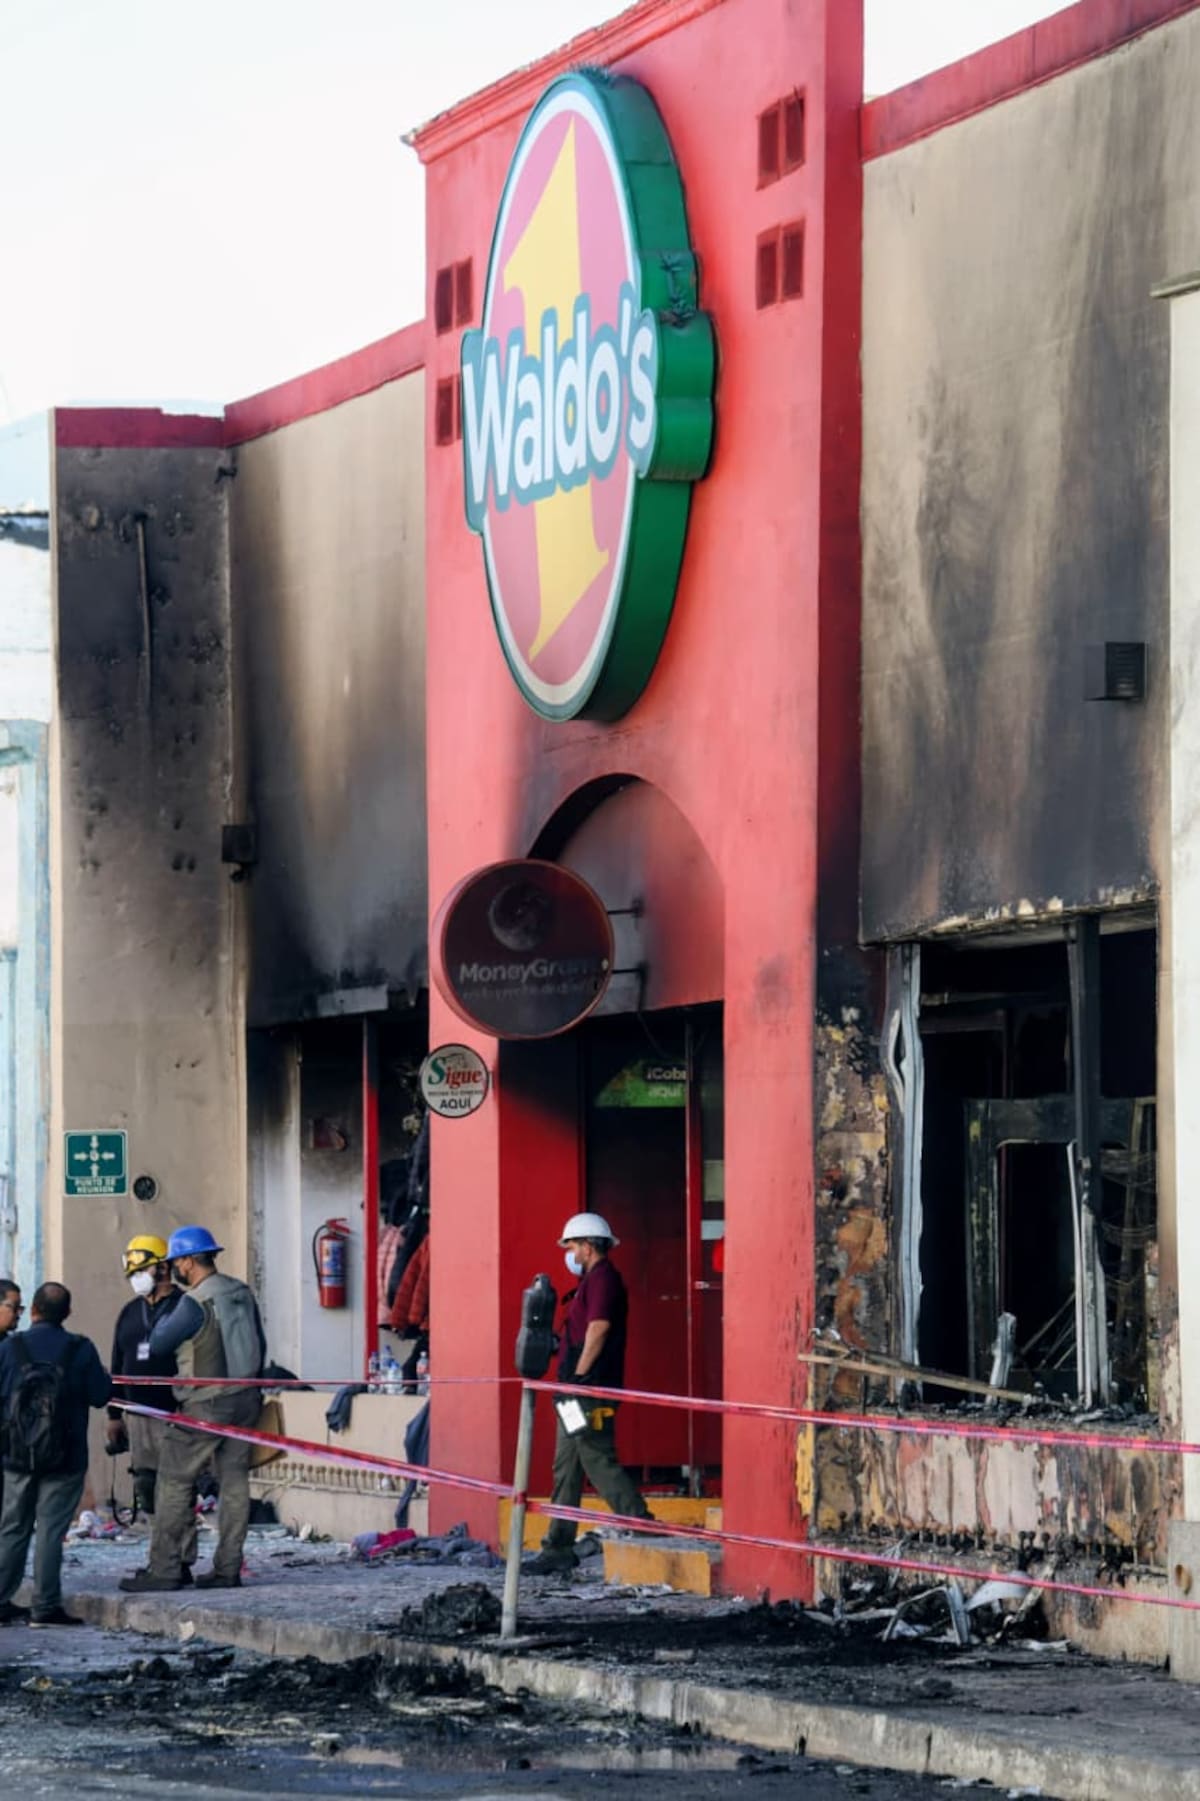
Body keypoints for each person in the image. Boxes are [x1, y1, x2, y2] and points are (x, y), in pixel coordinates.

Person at [120, 1226, 265, 1593]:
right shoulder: (241, 1292)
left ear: (187, 1260)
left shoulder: (195, 1301)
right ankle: (227, 1568)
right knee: (234, 1482)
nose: (174, 1269)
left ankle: (166, 1569)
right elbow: (260, 1342)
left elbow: (159, 1343)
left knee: (172, 1480)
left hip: (205, 1401)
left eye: (176, 1262)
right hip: (247, 1398)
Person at [527, 1211, 653, 1574]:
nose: (568, 1252)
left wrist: (580, 1377)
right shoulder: (590, 1282)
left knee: (595, 1455)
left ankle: (639, 1520)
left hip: (587, 1390)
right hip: (573, 1390)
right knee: (565, 1467)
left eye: (571, 1245)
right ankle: (557, 1546)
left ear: (586, 1246)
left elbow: (598, 1328)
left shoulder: (603, 1281)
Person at [0, 1282, 111, 1626]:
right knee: (50, 1530)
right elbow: (100, 1395)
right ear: (67, 1314)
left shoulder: (10, 1348)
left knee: (13, 1527)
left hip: (17, 1456)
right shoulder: (80, 1348)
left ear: (32, 1311)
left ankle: (2, 1599)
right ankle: (45, 1606)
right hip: (65, 1457)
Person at [107, 1234, 198, 1579]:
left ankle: (181, 1560)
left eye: (142, 1270)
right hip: (138, 1416)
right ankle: (161, 1557)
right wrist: (114, 1415)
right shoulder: (130, 1313)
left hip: (177, 1414)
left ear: (162, 1268)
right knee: (148, 1488)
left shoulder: (185, 1307)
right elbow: (118, 1363)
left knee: (178, 1488)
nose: (137, 1278)